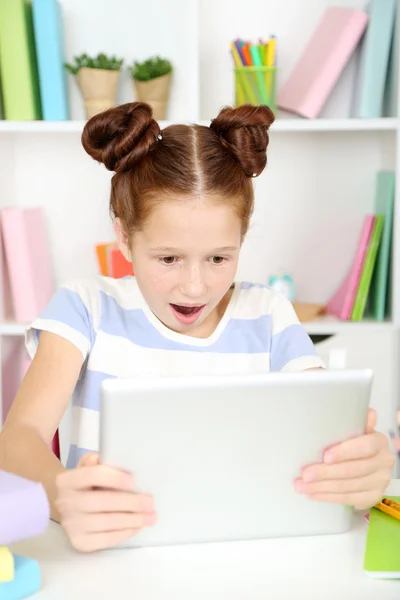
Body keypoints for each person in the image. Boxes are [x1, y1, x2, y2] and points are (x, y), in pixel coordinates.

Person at [0, 102, 393, 553]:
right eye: (168, 258)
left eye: (219, 258)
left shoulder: (268, 315)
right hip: (113, 566)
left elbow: (331, 441)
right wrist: (62, 498)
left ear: (241, 238)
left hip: (247, 558)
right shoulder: (86, 307)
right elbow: (16, 441)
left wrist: (362, 471)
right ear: (125, 236)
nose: (194, 286)